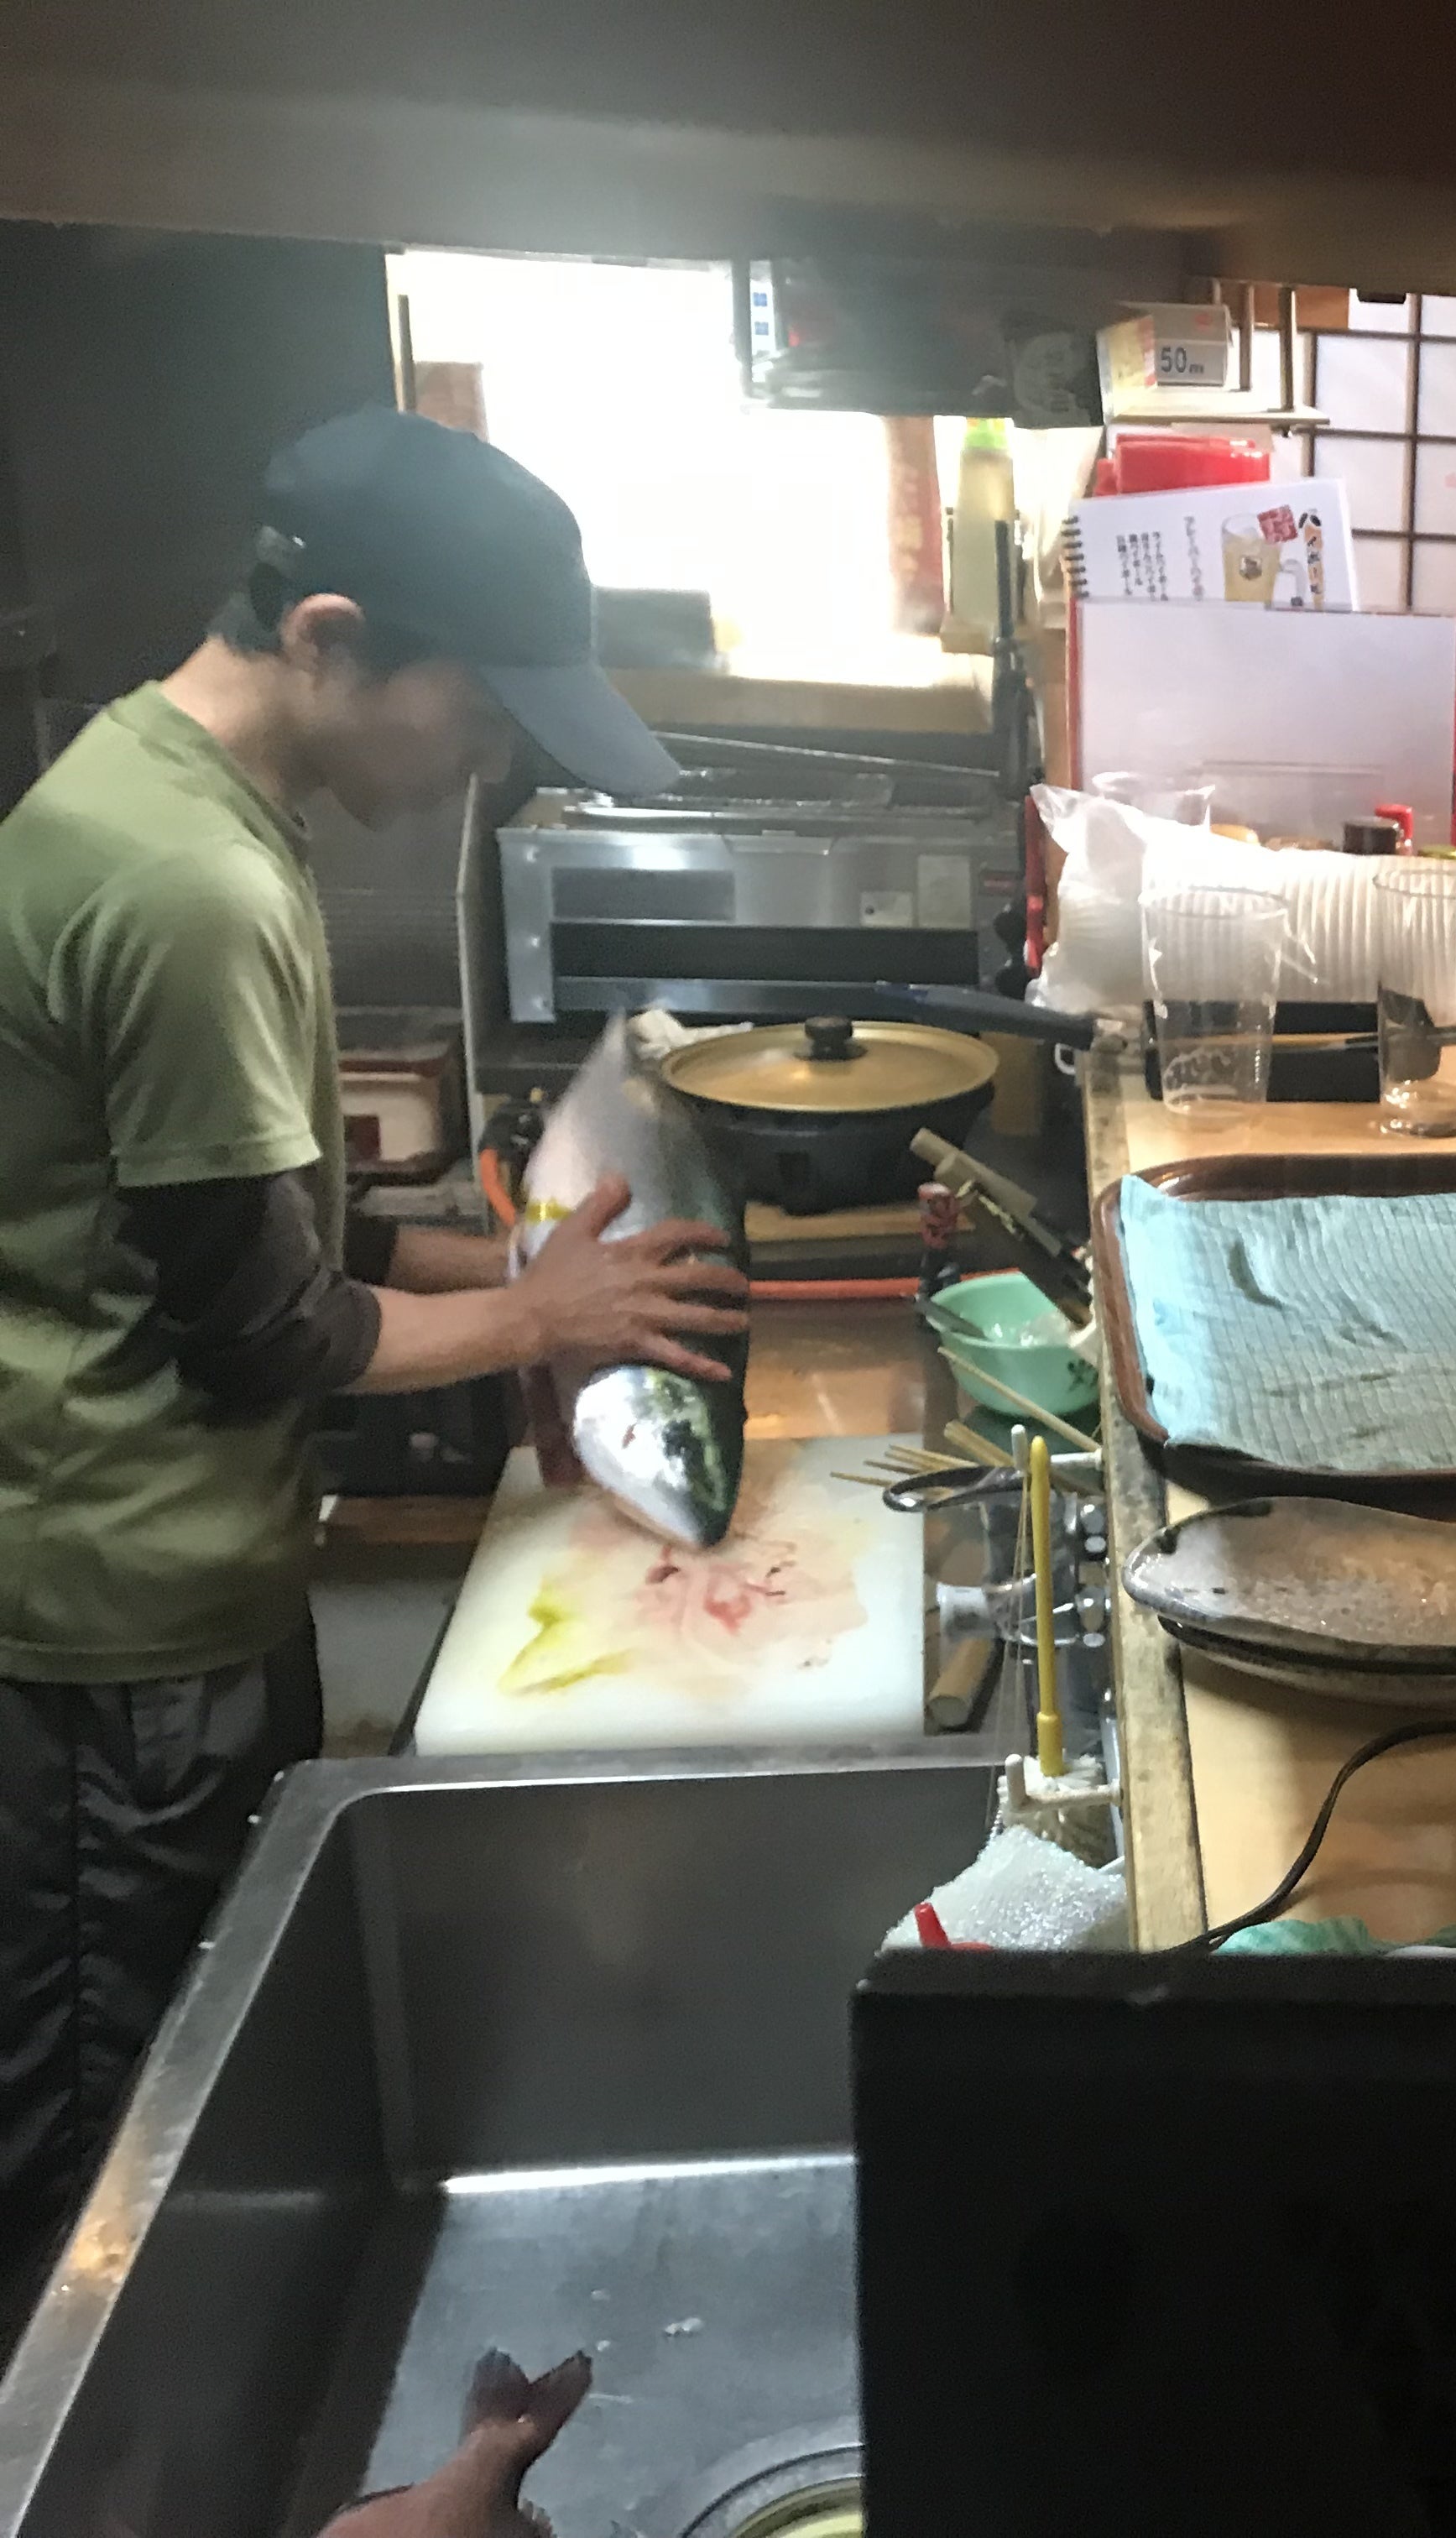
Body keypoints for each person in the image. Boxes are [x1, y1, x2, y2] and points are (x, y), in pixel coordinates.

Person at [0, 408, 749, 2321]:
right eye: (478, 711)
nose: (485, 762)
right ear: (328, 636)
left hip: (167, 1597)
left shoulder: (161, 800)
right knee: (106, 2155)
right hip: (112, 1630)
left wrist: (520, 1270)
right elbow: (264, 1332)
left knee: (184, 2084)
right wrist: (543, 1319)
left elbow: (249, 1232)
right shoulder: (195, 887)